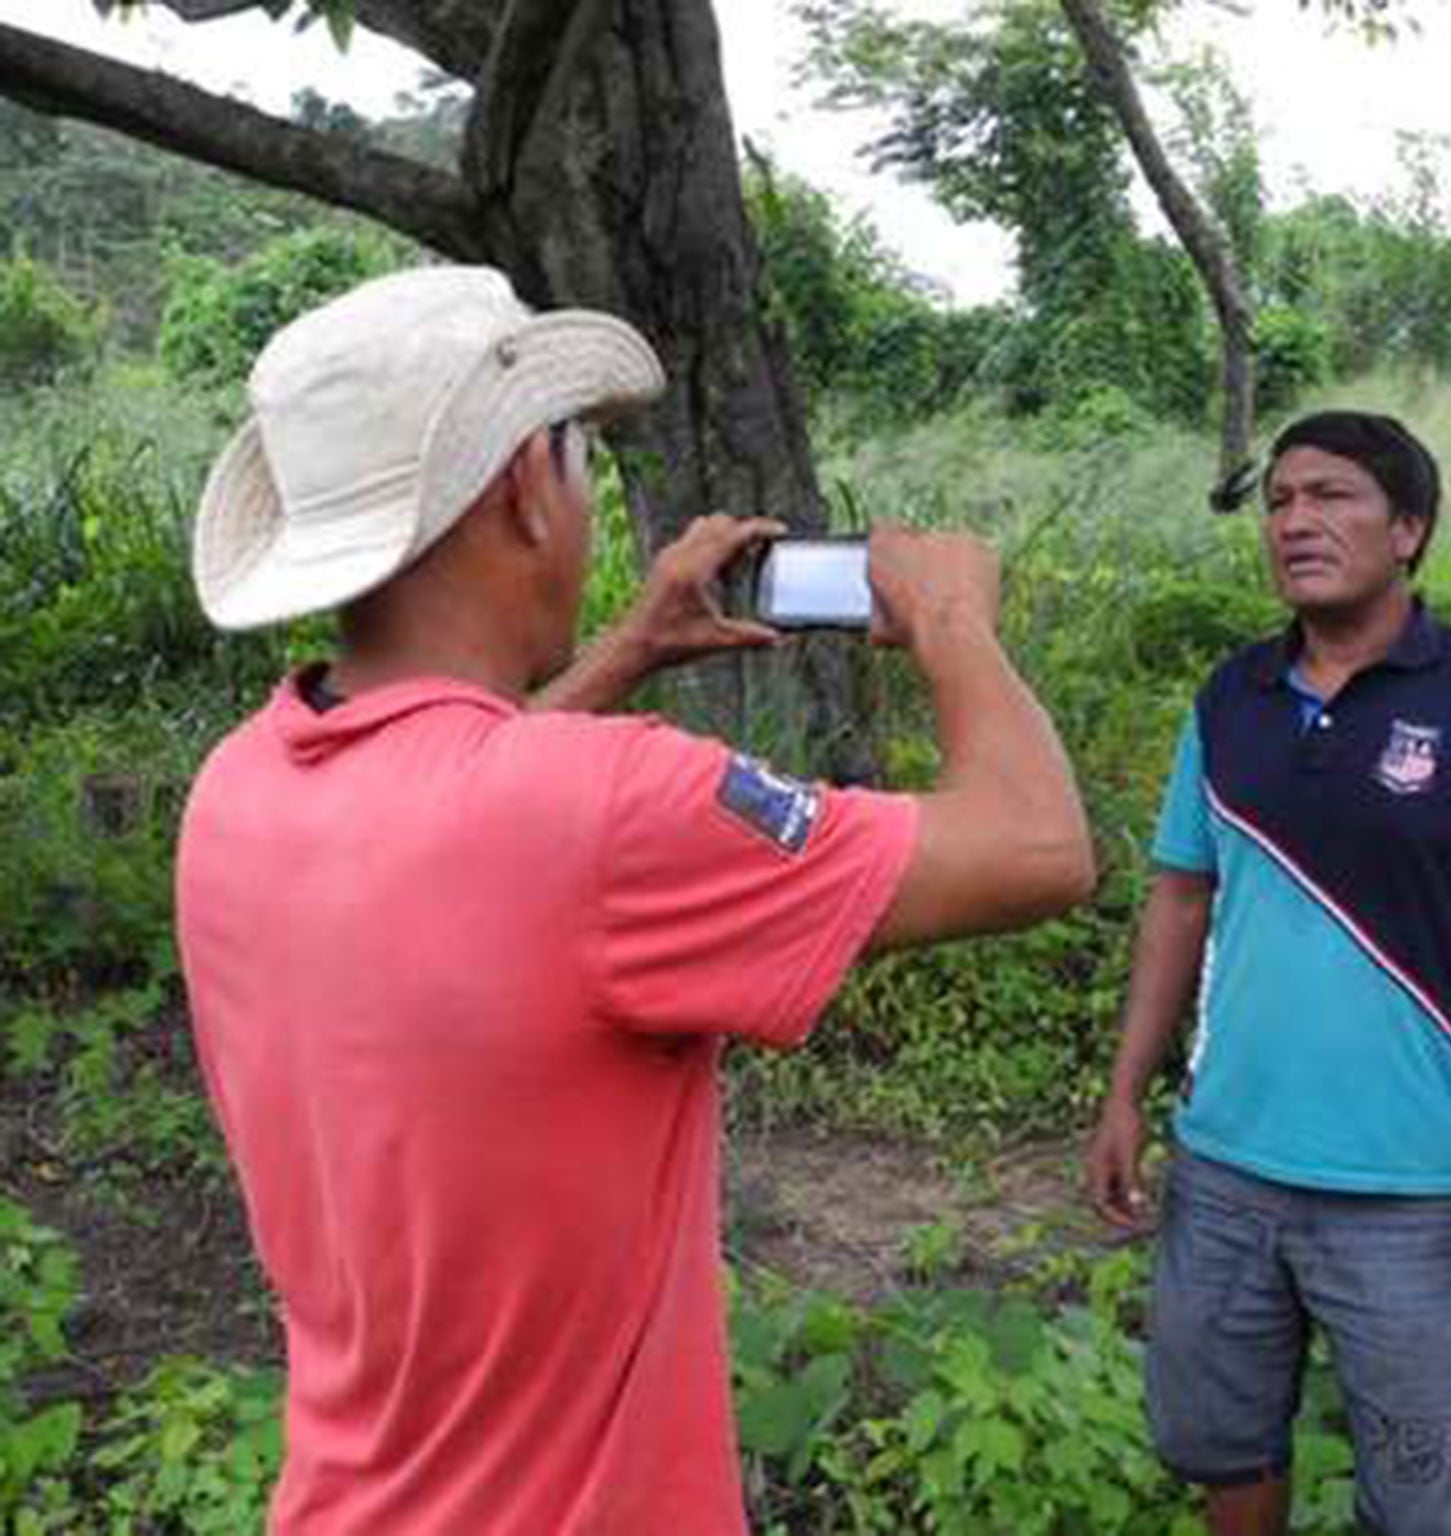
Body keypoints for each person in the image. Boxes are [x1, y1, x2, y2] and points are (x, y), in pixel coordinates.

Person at [174, 265, 1094, 1535]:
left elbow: (451, 810)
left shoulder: (243, 785)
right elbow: (1037, 847)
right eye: (578, 461)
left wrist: (625, 651)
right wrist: (952, 622)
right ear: (523, 492)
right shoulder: (607, 810)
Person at [1085, 410, 1451, 1536]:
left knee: (1423, 1501)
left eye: (1331, 496)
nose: (1295, 522)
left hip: (1404, 1195)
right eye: (1278, 502)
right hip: (1221, 1165)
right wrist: (1125, 1091)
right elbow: (1179, 893)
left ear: (1408, 528)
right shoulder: (1230, 699)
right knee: (1220, 1443)